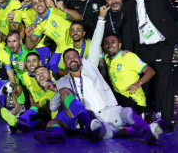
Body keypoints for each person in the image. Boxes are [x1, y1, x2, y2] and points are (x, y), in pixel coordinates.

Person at [38, 49, 167, 145]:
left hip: (107, 110)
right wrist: (57, 91)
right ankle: (124, 131)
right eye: (68, 58)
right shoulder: (61, 82)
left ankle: (147, 132)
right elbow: (54, 107)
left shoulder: (90, 69)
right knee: (102, 132)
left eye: (75, 56)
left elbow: (95, 43)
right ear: (65, 64)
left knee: (127, 111)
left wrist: (101, 19)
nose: (72, 59)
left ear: (80, 60)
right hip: (91, 117)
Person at [122, 0, 178, 131]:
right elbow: (129, 29)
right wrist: (128, 51)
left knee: (164, 83)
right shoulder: (129, 4)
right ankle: (145, 117)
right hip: (143, 49)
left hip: (162, 46)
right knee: (144, 84)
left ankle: (168, 120)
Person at [1, 52, 57, 133]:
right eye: (28, 61)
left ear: (40, 62)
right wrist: (29, 107)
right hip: (39, 111)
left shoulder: (48, 74)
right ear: (26, 64)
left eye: (34, 61)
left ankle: (20, 120)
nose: (31, 64)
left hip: (51, 108)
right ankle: (20, 125)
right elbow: (31, 92)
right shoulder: (25, 76)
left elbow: (57, 88)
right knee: (37, 123)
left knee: (39, 106)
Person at [25, 0, 82, 74]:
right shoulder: (38, 24)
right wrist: (28, 37)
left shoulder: (55, 11)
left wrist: (65, 9)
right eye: (35, 3)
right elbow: (30, 47)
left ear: (45, 2)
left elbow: (80, 17)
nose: (38, 4)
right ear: (33, 7)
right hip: (60, 48)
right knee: (52, 69)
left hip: (74, 45)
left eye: (40, 1)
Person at [104, 33, 156, 115]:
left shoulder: (128, 56)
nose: (110, 45)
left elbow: (150, 71)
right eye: (107, 43)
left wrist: (139, 83)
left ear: (119, 44)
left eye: (113, 42)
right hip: (120, 103)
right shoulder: (107, 58)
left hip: (134, 102)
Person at [9, 0, 52, 66]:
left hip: (43, 46)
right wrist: (10, 21)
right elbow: (14, 30)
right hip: (30, 46)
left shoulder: (41, 7)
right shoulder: (19, 10)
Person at [57, 4, 107, 77]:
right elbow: (60, 70)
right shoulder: (67, 50)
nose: (75, 32)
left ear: (83, 33)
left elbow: (102, 67)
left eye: (78, 30)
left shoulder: (92, 44)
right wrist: (73, 71)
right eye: (73, 31)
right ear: (70, 34)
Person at [5, 30, 38, 109]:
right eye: (9, 42)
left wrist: (26, 69)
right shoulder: (7, 50)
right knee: (10, 87)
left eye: (14, 41)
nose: (11, 45)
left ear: (20, 41)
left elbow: (39, 75)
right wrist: (13, 96)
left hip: (31, 83)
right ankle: (18, 109)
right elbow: (11, 76)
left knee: (33, 99)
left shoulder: (29, 52)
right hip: (19, 83)